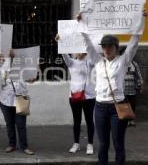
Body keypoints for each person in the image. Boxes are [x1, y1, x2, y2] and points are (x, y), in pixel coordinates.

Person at [78, 11, 147, 165]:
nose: (106, 49)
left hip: (118, 108)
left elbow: (134, 41)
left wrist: (142, 18)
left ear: (116, 48)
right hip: (100, 107)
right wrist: (81, 23)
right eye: (104, 47)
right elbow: (87, 44)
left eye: (110, 46)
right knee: (103, 144)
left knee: (118, 143)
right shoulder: (98, 61)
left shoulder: (123, 61)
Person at [55, 34, 96, 155]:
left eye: (82, 49)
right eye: (77, 50)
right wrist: (59, 41)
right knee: (76, 121)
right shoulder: (71, 62)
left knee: (89, 121)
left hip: (89, 96)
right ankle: (76, 143)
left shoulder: (90, 62)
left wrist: (88, 43)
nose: (80, 52)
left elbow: (95, 55)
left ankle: (90, 144)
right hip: (74, 96)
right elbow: (63, 54)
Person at [0, 51, 35, 155]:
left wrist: (33, 76)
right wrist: (3, 72)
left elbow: (31, 80)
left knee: (21, 124)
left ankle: (24, 146)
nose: (11, 53)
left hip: (21, 98)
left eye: (13, 52)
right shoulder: (2, 65)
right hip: (5, 99)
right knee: (9, 123)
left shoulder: (24, 65)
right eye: (9, 52)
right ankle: (12, 144)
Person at [120, 47, 144, 126]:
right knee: (124, 105)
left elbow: (138, 75)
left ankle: (131, 120)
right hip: (122, 89)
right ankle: (125, 120)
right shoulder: (119, 64)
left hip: (132, 89)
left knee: (132, 104)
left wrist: (141, 85)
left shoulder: (134, 64)